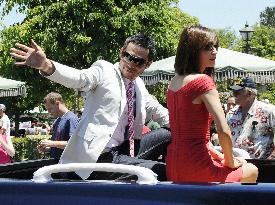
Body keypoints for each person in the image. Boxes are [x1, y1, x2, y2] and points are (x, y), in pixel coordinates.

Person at [10, 33, 170, 181]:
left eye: (138, 61)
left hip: (127, 149)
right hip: (99, 156)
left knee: (169, 132)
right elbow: (80, 78)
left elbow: (158, 111)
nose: (130, 63)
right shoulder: (104, 70)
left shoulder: (139, 85)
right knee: (161, 171)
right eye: (127, 56)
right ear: (121, 52)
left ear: (148, 64)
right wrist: (46, 65)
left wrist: (192, 124)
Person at [166, 25, 258, 183]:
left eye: (215, 46)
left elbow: (199, 140)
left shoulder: (173, 83)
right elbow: (223, 131)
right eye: (207, 47)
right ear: (193, 50)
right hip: (196, 167)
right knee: (252, 170)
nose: (214, 51)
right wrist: (230, 162)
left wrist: (222, 157)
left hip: (173, 165)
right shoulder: (203, 82)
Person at [227, 77, 275, 159]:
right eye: (233, 91)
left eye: (237, 92)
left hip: (262, 164)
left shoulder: (268, 111)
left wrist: (273, 156)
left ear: (249, 94)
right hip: (237, 164)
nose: (234, 94)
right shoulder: (231, 114)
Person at [37, 92, 79, 162]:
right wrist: (47, 148)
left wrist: (52, 143)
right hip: (58, 166)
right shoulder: (58, 120)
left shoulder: (71, 119)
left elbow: (74, 145)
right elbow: (59, 147)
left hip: (67, 168)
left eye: (50, 109)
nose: (49, 112)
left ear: (57, 104)